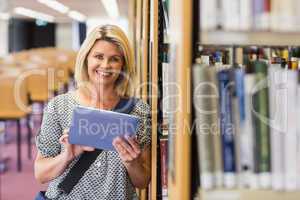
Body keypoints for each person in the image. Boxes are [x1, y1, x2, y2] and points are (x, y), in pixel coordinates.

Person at [34, 24, 151, 200]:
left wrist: (131, 162)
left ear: (123, 65)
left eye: (115, 59)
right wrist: (67, 156)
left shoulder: (139, 111)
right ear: (86, 58)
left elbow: (142, 181)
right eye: (98, 56)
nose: (106, 65)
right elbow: (41, 174)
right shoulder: (59, 107)